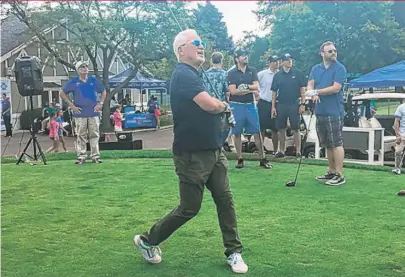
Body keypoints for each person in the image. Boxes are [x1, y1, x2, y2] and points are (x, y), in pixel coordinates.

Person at [133, 29, 248, 274]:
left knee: (225, 201)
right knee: (189, 208)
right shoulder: (183, 74)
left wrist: (222, 111)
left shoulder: (195, 73)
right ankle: (147, 240)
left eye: (202, 43)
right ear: (181, 50)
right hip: (192, 155)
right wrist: (224, 106)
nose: (201, 46)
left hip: (213, 151)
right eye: (196, 43)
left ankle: (234, 251)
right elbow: (209, 104)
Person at [306, 41, 347, 186]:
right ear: (322, 53)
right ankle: (331, 171)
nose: (333, 53)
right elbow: (310, 83)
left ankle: (339, 174)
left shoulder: (340, 68)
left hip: (334, 110)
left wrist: (317, 92)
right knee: (327, 143)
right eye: (330, 51)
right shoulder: (316, 68)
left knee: (336, 142)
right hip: (320, 110)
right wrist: (312, 93)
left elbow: (335, 88)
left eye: (334, 51)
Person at [227, 48, 271, 169]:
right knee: (237, 133)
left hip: (250, 105)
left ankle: (263, 158)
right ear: (237, 59)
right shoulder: (232, 73)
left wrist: (245, 88)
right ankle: (240, 158)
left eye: (246, 55)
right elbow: (233, 91)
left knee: (257, 131)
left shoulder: (252, 70)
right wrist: (250, 90)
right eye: (242, 55)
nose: (245, 57)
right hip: (236, 105)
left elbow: (256, 86)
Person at [60, 61, 106, 164]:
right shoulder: (73, 82)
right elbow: (62, 93)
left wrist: (101, 103)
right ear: (78, 70)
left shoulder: (93, 80)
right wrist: (71, 105)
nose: (84, 68)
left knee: (94, 134)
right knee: (81, 134)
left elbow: (103, 91)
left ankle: (95, 156)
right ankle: (82, 155)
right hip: (80, 113)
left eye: (85, 67)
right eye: (82, 67)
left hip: (93, 112)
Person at [271, 53, 306, 158]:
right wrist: (273, 107)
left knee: (296, 128)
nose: (290, 61)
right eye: (287, 59)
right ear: (282, 62)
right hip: (281, 104)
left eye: (290, 59)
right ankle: (281, 150)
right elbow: (274, 92)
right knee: (281, 128)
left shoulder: (297, 73)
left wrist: (303, 104)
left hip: (294, 103)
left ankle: (298, 151)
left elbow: (302, 89)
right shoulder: (277, 75)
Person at [202, 52, 234, 149]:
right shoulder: (225, 74)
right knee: (223, 127)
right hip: (220, 105)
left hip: (207, 103)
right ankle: (219, 146)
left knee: (209, 127)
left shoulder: (204, 74)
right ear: (221, 61)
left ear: (211, 61)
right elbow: (227, 91)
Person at [258, 55, 280, 154]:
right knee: (261, 127)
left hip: (276, 103)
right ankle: (261, 151)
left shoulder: (280, 74)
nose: (277, 63)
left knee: (275, 128)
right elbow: (255, 85)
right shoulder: (262, 74)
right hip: (264, 102)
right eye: (274, 61)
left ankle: (275, 151)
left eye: (278, 61)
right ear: (270, 62)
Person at [392, 102, 405, 175]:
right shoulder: (401, 107)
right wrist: (397, 136)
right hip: (402, 134)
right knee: (398, 151)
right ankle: (397, 168)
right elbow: (396, 122)